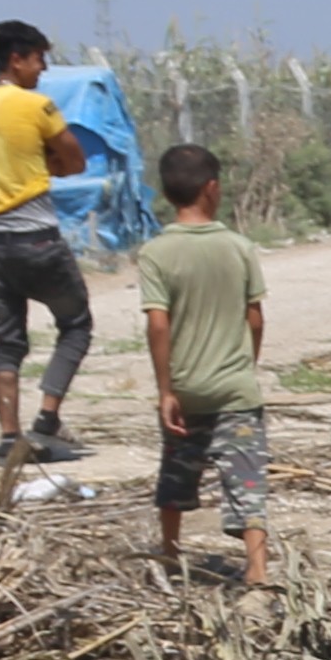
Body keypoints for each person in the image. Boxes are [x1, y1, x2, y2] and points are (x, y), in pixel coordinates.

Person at [0, 19, 98, 465]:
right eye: (39, 58)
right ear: (16, 59)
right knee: (75, 325)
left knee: (7, 340)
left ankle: (7, 434)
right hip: (37, 238)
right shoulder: (37, 106)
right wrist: (50, 166)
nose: (43, 68)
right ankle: (47, 418)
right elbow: (74, 160)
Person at [135, 140, 269, 591]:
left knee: (175, 473)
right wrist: (245, 364)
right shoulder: (239, 247)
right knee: (247, 480)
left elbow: (158, 324)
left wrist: (166, 390)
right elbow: (254, 319)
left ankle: (171, 555)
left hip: (185, 390)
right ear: (212, 188)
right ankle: (257, 570)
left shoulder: (156, 252)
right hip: (235, 389)